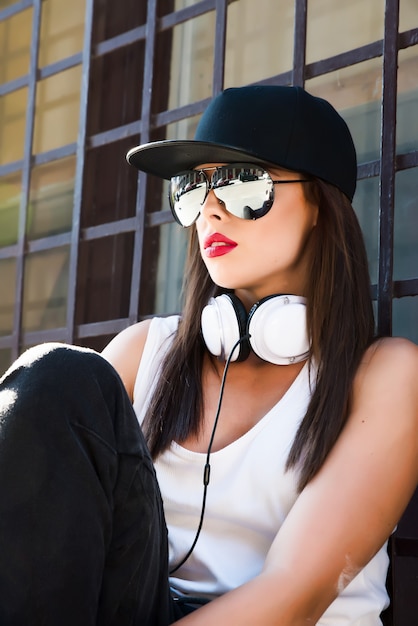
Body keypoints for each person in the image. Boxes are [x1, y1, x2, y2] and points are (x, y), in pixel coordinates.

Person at [0, 85, 417, 626]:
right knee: (50, 376)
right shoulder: (145, 353)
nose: (210, 209)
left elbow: (294, 594)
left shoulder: (385, 375)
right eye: (192, 189)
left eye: (242, 182)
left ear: (320, 204)